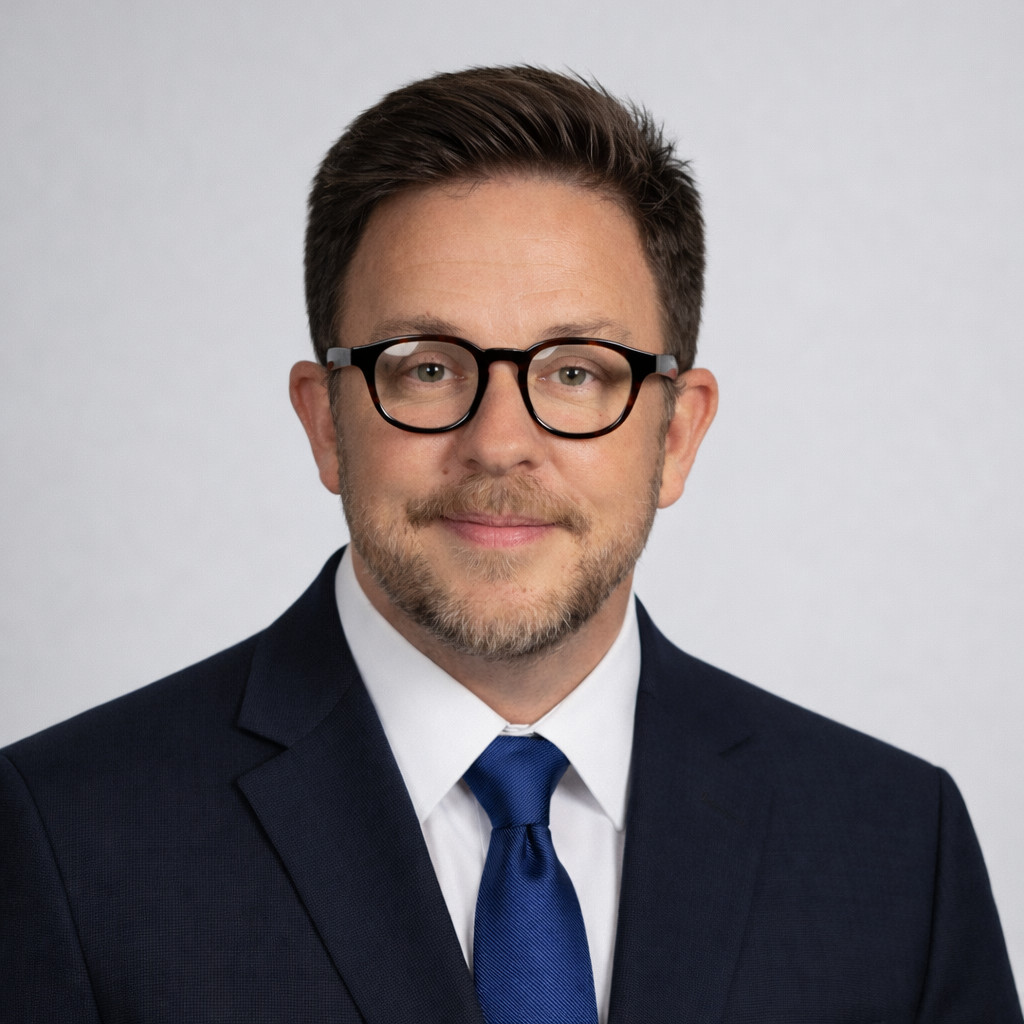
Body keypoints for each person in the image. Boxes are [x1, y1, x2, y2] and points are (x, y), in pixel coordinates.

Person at [1, 66, 1019, 1023]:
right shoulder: (61, 839)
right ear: (326, 423)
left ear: (676, 434)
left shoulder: (897, 848)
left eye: (576, 371)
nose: (498, 442)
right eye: (426, 367)